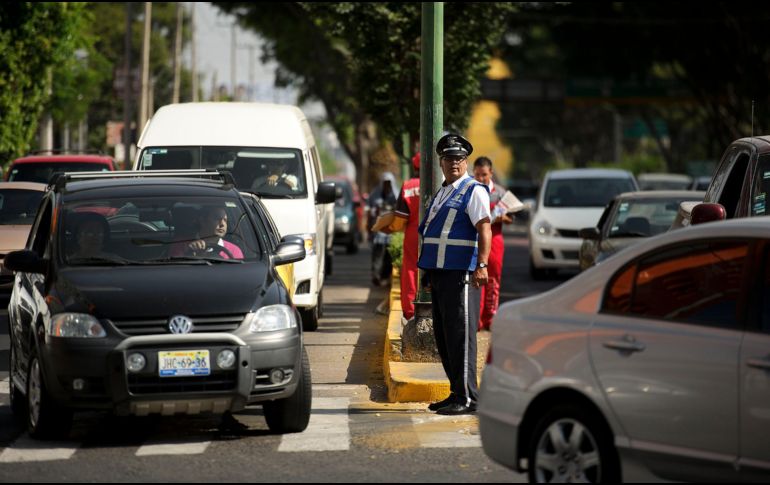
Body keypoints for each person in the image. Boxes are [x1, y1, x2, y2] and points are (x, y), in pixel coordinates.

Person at [418, 134, 491, 416]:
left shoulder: (474, 190)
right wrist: (429, 272)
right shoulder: (444, 191)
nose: (454, 164)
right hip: (441, 273)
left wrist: (482, 265)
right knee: (445, 335)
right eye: (449, 159)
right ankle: (455, 393)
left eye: (459, 159)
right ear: (441, 162)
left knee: (461, 336)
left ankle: (469, 398)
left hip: (461, 273)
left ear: (466, 161)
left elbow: (484, 227)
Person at [472, 156, 512, 331]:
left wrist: (502, 217)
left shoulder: (501, 193)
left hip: (495, 239)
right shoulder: (471, 190)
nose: (481, 178)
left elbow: (511, 217)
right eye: (478, 175)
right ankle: (476, 320)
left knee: (492, 280)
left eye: (484, 175)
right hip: (474, 238)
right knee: (476, 279)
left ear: (491, 173)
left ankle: (490, 319)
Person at [394, 153, 421, 321]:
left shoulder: (408, 186)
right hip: (435, 233)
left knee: (411, 269)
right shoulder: (441, 185)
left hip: (412, 233)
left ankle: (410, 311)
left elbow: (399, 220)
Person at [171, 206, 244, 260]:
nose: (222, 224)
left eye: (225, 220)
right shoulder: (181, 245)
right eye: (217, 218)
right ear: (202, 220)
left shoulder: (234, 250)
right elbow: (175, 272)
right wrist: (189, 254)